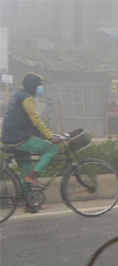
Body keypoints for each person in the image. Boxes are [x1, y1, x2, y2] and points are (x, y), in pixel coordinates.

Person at [1, 73, 61, 211]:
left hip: (9, 138)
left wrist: (42, 134)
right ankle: (34, 176)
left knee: (26, 171)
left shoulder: (17, 95)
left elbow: (25, 120)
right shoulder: (26, 98)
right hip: (18, 139)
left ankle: (31, 203)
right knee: (51, 149)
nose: (39, 88)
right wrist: (50, 137)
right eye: (38, 85)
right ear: (32, 86)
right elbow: (35, 119)